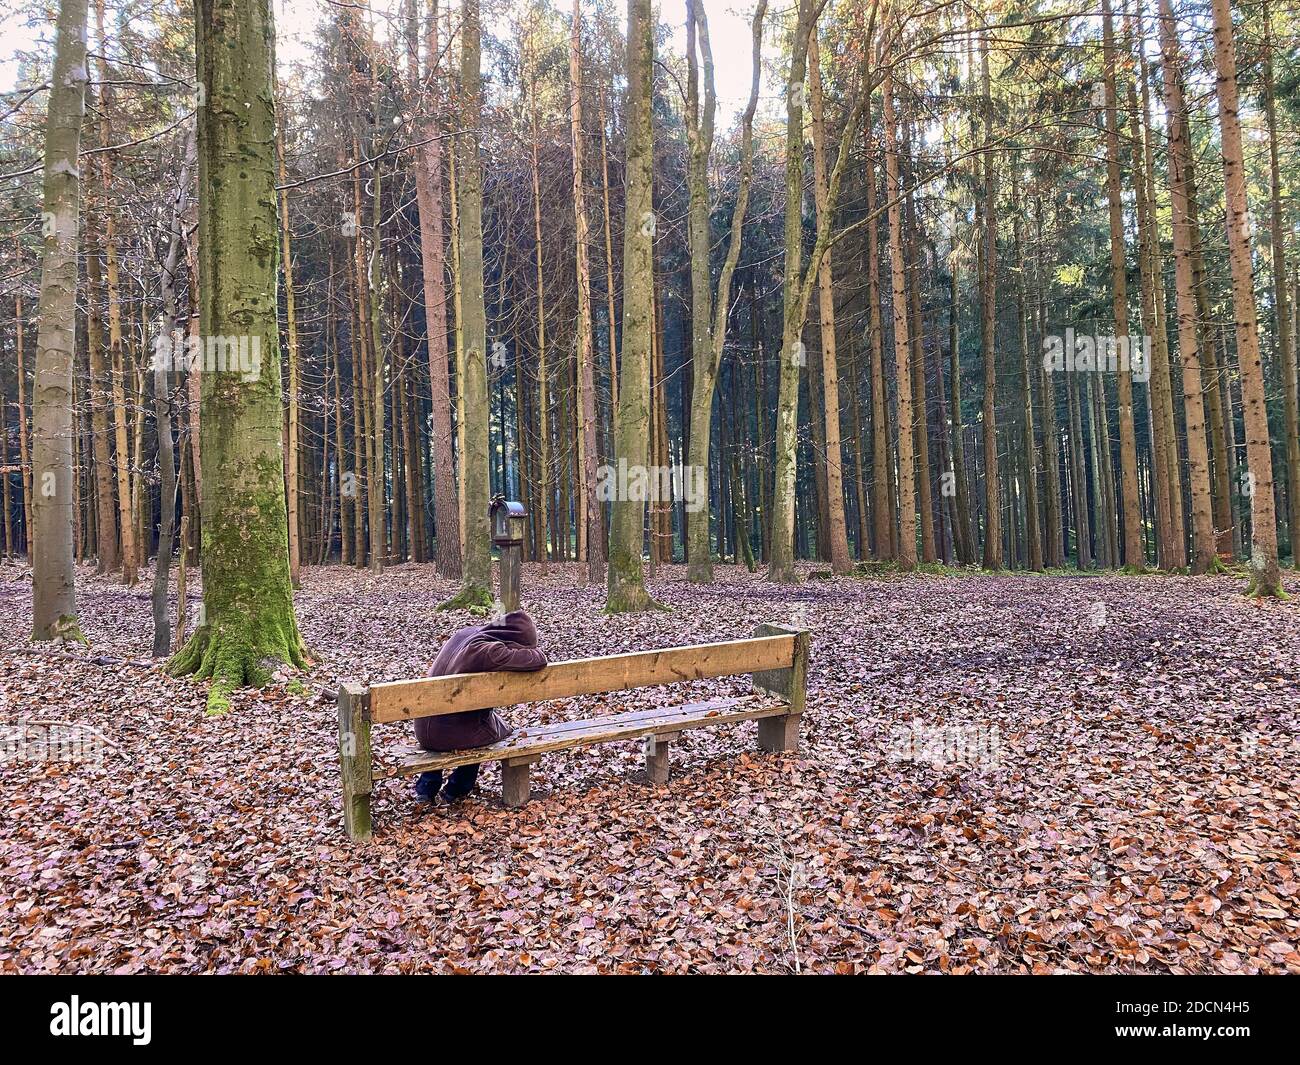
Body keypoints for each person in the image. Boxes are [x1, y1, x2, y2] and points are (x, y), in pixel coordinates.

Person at [414, 609, 547, 805]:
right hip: (450, 734)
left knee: (460, 720)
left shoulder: (465, 634)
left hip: (423, 726)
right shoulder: (488, 651)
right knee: (490, 732)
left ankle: (426, 789)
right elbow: (538, 659)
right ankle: (456, 789)